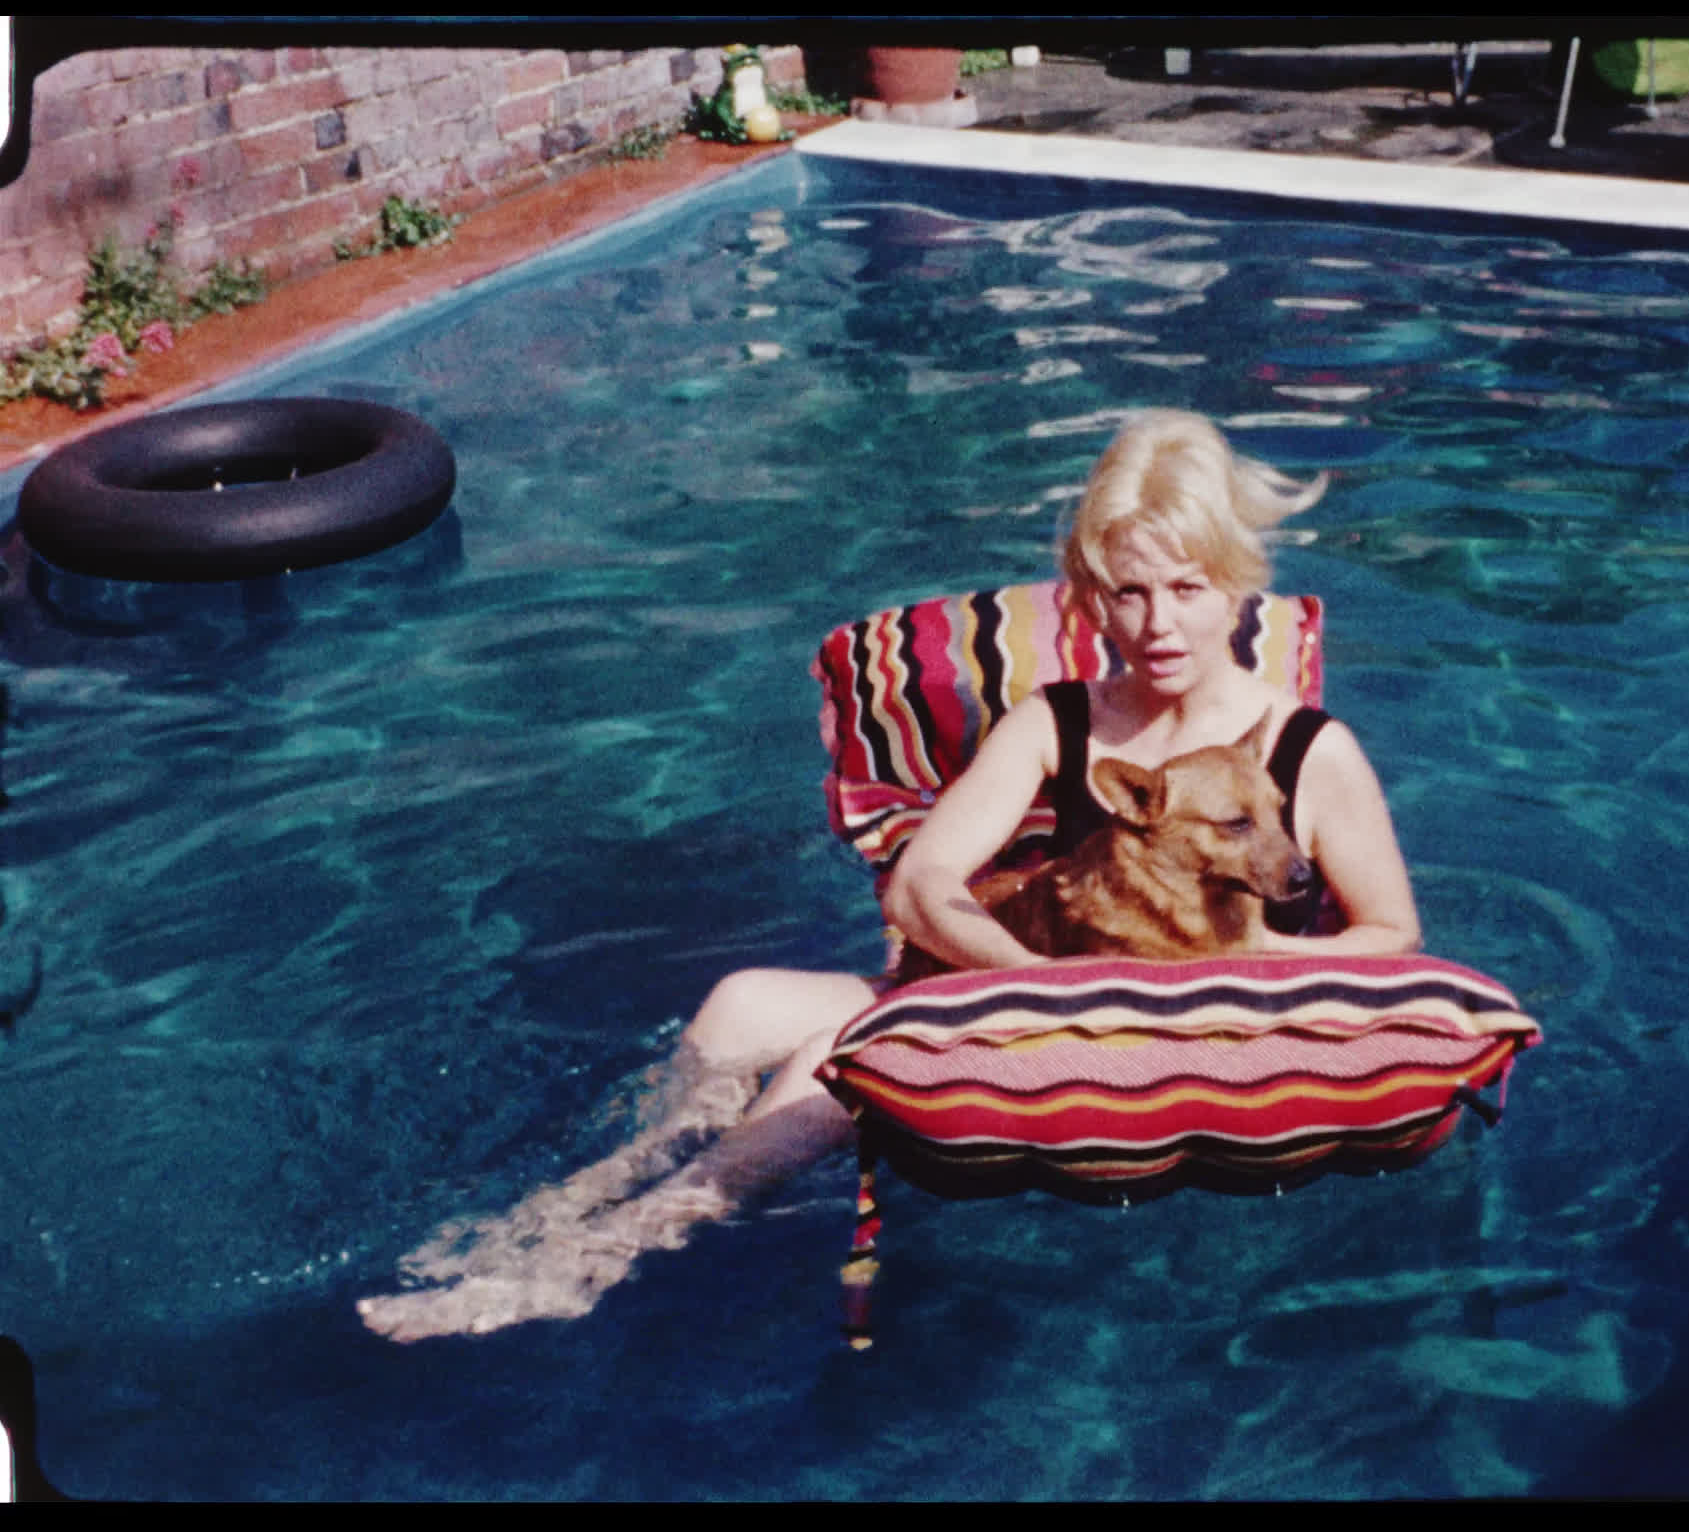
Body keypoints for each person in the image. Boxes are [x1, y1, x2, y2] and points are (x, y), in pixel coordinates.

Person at [357, 409, 1421, 1343]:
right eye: (1125, 592)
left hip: (1158, 1027)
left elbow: (1389, 936)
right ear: (1089, 595)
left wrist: (1246, 957)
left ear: (1236, 582)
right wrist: (1024, 979)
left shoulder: (1303, 751)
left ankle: (601, 1257)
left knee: (830, 1050)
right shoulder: (1057, 723)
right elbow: (923, 885)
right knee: (739, 1008)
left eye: (1184, 589)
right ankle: (562, 1205)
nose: (1154, 626)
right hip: (1022, 978)